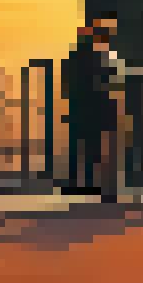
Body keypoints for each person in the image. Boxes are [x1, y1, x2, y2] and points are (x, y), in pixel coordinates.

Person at [61, 18, 119, 195]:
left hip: (79, 110)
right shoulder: (99, 58)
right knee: (91, 150)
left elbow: (68, 85)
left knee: (78, 148)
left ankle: (74, 183)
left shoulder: (75, 57)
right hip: (93, 112)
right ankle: (89, 182)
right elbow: (105, 87)